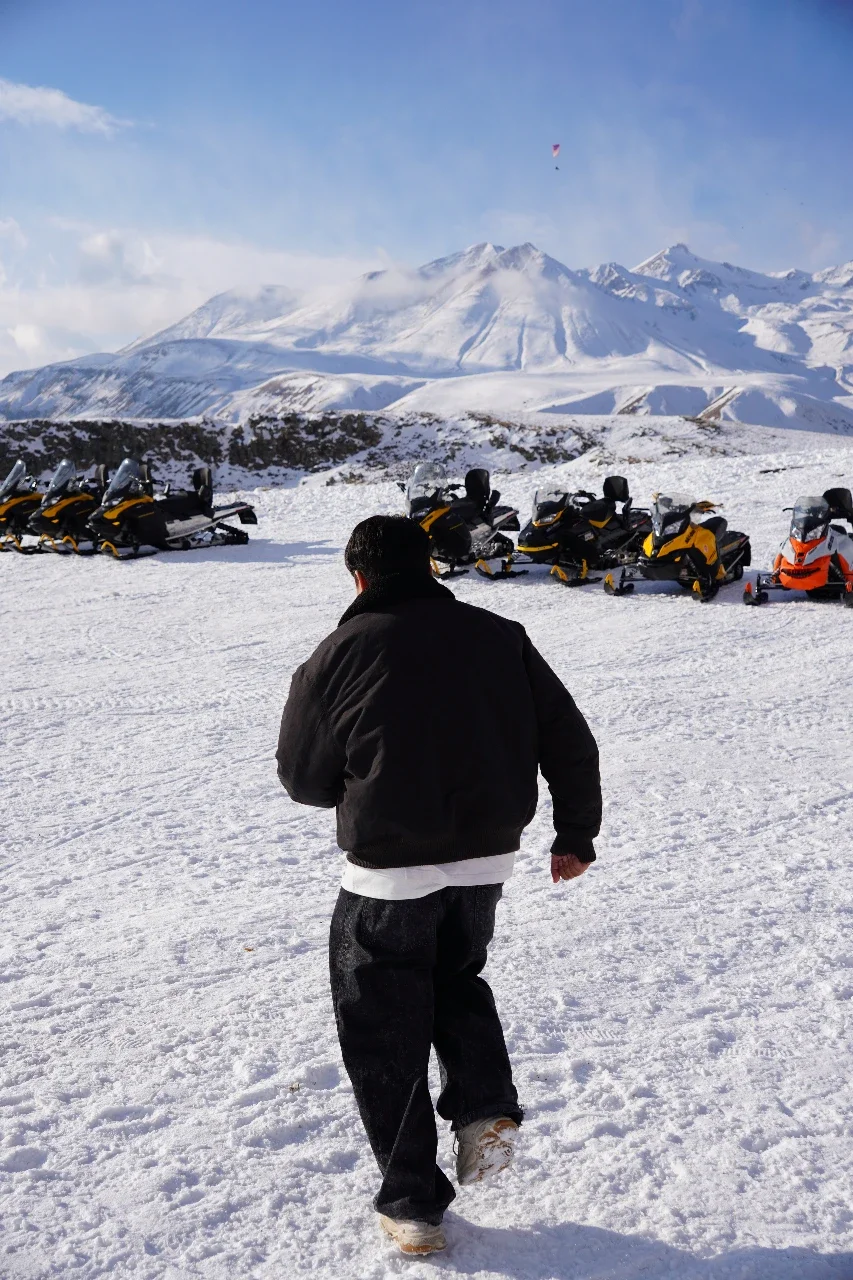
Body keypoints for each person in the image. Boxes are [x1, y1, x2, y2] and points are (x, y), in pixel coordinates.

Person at [276, 514, 601, 1255]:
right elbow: (570, 740)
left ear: (357, 576)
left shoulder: (336, 654)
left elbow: (303, 779)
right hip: (486, 859)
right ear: (429, 565)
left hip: (388, 871)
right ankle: (484, 1103)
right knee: (453, 973)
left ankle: (413, 1204)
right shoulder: (501, 635)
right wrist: (574, 835)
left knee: (379, 1027)